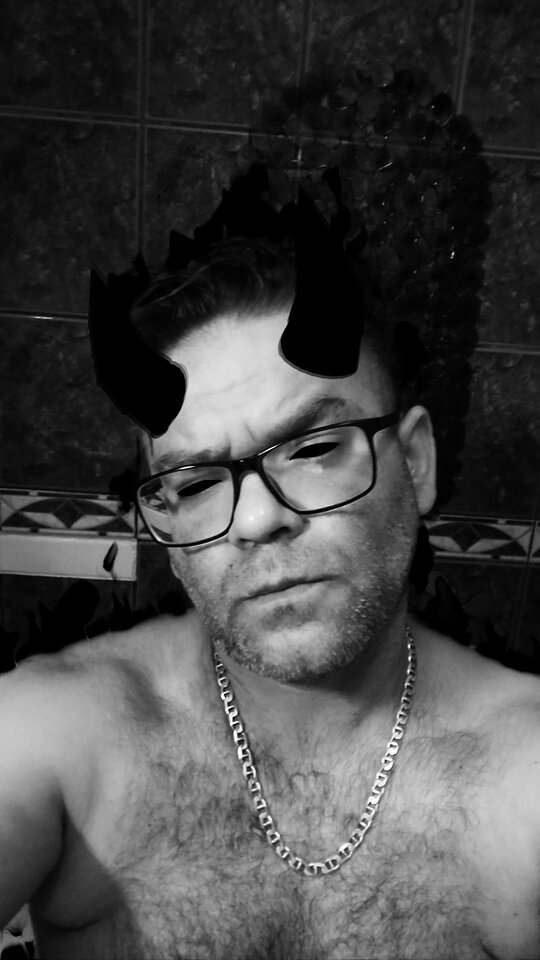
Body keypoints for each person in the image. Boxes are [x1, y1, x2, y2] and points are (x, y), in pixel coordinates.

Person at [1, 233, 539, 960]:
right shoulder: (56, 734)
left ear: (414, 462)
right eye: (196, 483)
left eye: (313, 449)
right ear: (166, 525)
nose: (257, 519)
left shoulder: (523, 772)